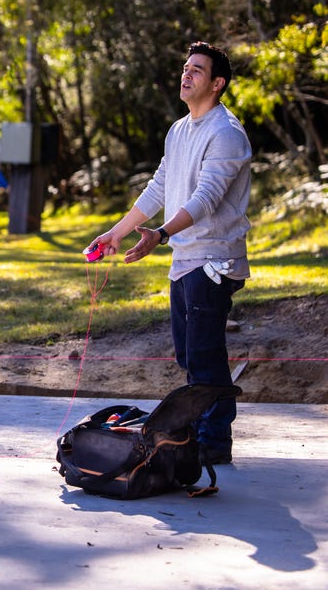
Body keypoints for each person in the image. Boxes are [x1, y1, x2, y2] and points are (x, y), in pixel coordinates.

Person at [85, 41, 251, 465]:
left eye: (197, 69)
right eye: (185, 67)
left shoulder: (226, 133)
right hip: (185, 260)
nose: (186, 74)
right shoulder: (179, 131)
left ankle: (213, 441)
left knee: (203, 353)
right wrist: (116, 233)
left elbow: (206, 199)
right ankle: (199, 432)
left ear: (217, 84)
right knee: (187, 353)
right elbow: (159, 187)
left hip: (215, 259)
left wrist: (159, 233)